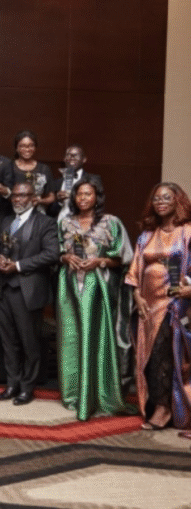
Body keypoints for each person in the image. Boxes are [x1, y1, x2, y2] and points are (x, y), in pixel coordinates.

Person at [57, 177, 134, 420]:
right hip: (70, 285)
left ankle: (99, 394)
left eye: (88, 194)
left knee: (97, 337)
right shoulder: (65, 222)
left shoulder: (111, 222)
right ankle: (74, 393)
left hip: (99, 286)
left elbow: (123, 259)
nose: (83, 198)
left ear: (96, 197)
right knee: (71, 337)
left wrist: (100, 261)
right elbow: (57, 251)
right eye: (79, 194)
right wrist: (65, 258)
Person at [125, 182, 191, 430]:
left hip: (176, 304)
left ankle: (165, 408)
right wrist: (137, 296)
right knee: (149, 356)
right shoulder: (147, 235)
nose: (160, 202)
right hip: (148, 305)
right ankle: (156, 403)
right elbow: (135, 269)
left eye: (166, 197)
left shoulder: (187, 232)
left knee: (165, 353)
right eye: (156, 198)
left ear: (178, 201)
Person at [0, 182, 59, 405]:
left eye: (23, 195)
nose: (18, 199)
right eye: (15, 196)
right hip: (3, 289)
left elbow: (52, 254)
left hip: (27, 291)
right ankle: (12, 384)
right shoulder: (6, 221)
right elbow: (0, 249)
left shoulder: (46, 223)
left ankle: (27, 387)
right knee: (8, 341)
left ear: (33, 198)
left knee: (29, 342)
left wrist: (18, 266)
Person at [48, 145, 102, 221]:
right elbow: (50, 212)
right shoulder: (57, 182)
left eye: (76, 155)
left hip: (83, 222)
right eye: (68, 155)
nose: (72, 157)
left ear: (84, 159)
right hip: (60, 223)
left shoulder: (93, 179)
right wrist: (59, 202)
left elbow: (99, 204)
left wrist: (75, 197)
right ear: (64, 159)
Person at [11, 130, 55, 211]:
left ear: (35, 147)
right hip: (14, 212)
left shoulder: (44, 169)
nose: (27, 149)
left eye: (31, 145)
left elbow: (51, 197)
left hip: (38, 212)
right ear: (17, 148)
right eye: (23, 146)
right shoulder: (10, 167)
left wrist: (40, 201)